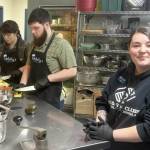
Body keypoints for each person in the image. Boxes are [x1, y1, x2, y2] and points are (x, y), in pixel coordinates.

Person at [84, 26, 150, 150]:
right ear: (129, 49)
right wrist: (100, 121)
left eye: (148, 45)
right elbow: (103, 101)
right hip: (110, 145)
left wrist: (110, 134)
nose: (142, 50)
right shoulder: (121, 74)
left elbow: (148, 129)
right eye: (136, 45)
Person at [20, 8, 77, 110]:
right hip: (33, 95)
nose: (33, 32)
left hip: (51, 98)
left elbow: (72, 71)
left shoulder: (61, 44)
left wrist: (48, 79)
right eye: (31, 28)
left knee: (50, 126)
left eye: (36, 28)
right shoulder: (33, 44)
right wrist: (22, 85)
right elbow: (28, 66)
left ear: (47, 25)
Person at [0, 20, 28, 84]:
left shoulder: (25, 47)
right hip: (4, 83)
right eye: (4, 35)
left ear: (16, 33)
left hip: (19, 82)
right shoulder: (1, 48)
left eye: (9, 35)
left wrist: (19, 71)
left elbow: (30, 65)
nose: (5, 37)